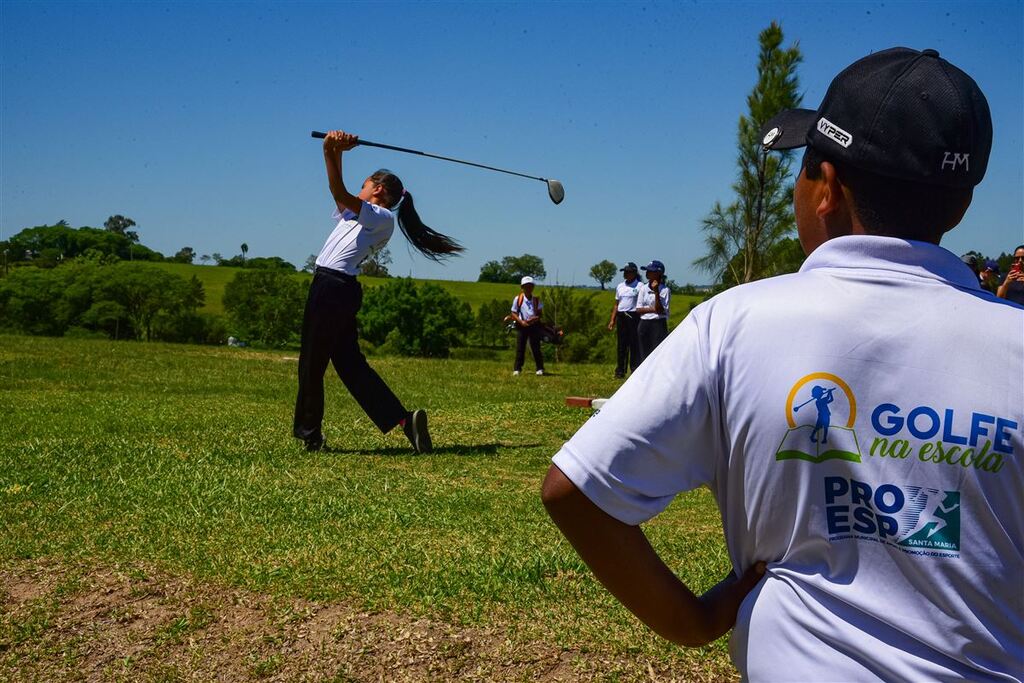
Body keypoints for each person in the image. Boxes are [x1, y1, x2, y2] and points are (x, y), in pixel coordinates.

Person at [542, 47, 1022, 682]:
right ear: (959, 205)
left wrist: (694, 620)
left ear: (826, 188)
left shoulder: (735, 324)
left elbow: (576, 490)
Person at [293, 129, 463, 453]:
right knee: (351, 365)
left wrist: (329, 151)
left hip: (331, 287)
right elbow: (341, 195)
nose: (361, 189)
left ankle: (310, 435)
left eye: (365, 184)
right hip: (339, 290)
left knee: (311, 364)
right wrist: (338, 149)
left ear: (377, 188)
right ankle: (404, 421)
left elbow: (339, 191)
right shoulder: (359, 214)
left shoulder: (380, 217)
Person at [607, 262, 642, 378]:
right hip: (622, 316)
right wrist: (612, 320)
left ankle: (634, 369)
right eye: (625, 272)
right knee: (622, 345)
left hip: (633, 316)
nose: (625, 274)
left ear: (634, 273)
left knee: (634, 344)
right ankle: (620, 370)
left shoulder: (640, 286)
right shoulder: (620, 286)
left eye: (628, 272)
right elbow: (616, 304)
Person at [634, 260, 670, 364]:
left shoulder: (665, 290)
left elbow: (661, 310)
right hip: (644, 323)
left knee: (657, 352)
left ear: (659, 273)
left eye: (650, 271)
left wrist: (656, 292)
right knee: (643, 352)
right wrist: (654, 309)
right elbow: (639, 309)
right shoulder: (643, 288)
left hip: (658, 324)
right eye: (647, 271)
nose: (647, 273)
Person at [509, 276, 545, 376]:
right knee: (520, 347)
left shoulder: (536, 300)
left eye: (530, 286)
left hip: (534, 326)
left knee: (536, 347)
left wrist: (535, 319)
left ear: (533, 287)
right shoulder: (518, 299)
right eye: (526, 286)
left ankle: (540, 368)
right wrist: (521, 322)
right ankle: (517, 369)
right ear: (522, 287)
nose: (528, 288)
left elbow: (540, 313)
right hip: (522, 326)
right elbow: (513, 312)